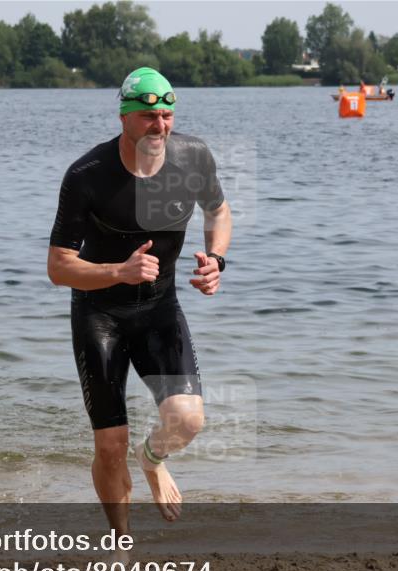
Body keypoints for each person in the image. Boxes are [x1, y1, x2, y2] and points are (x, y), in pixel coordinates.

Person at [47, 67, 232, 536]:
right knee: (110, 444)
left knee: (187, 420)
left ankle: (152, 458)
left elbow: (218, 210)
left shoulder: (192, 158)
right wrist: (118, 271)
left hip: (158, 307)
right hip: (99, 313)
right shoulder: (87, 175)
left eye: (167, 115)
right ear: (125, 117)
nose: (160, 126)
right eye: (149, 116)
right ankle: (121, 544)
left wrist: (216, 260)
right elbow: (58, 267)